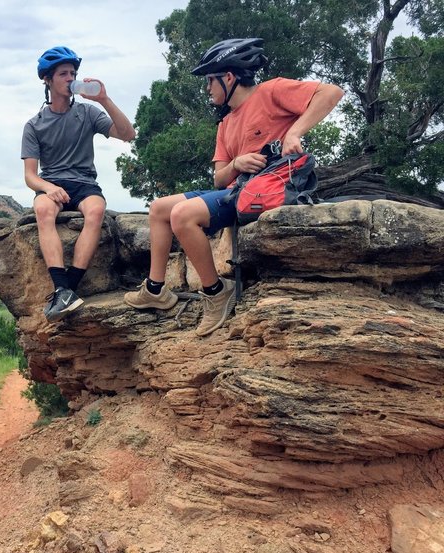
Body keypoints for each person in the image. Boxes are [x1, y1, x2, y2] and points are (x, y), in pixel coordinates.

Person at [124, 38, 344, 336]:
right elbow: (219, 178)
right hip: (237, 189)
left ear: (228, 77)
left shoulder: (270, 91)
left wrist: (295, 131)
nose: (207, 89)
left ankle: (216, 291)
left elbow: (331, 93)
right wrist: (237, 163)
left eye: (210, 81)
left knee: (182, 215)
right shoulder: (225, 124)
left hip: (266, 188)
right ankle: (155, 289)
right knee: (159, 208)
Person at [22, 46, 135, 322]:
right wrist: (48, 188)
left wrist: (104, 99)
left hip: (84, 183)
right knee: (43, 211)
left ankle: (67, 289)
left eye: (73, 73)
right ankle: (63, 287)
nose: (70, 78)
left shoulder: (87, 113)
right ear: (48, 80)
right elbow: (30, 176)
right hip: (53, 184)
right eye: (63, 74)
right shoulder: (34, 124)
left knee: (96, 211)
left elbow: (128, 134)